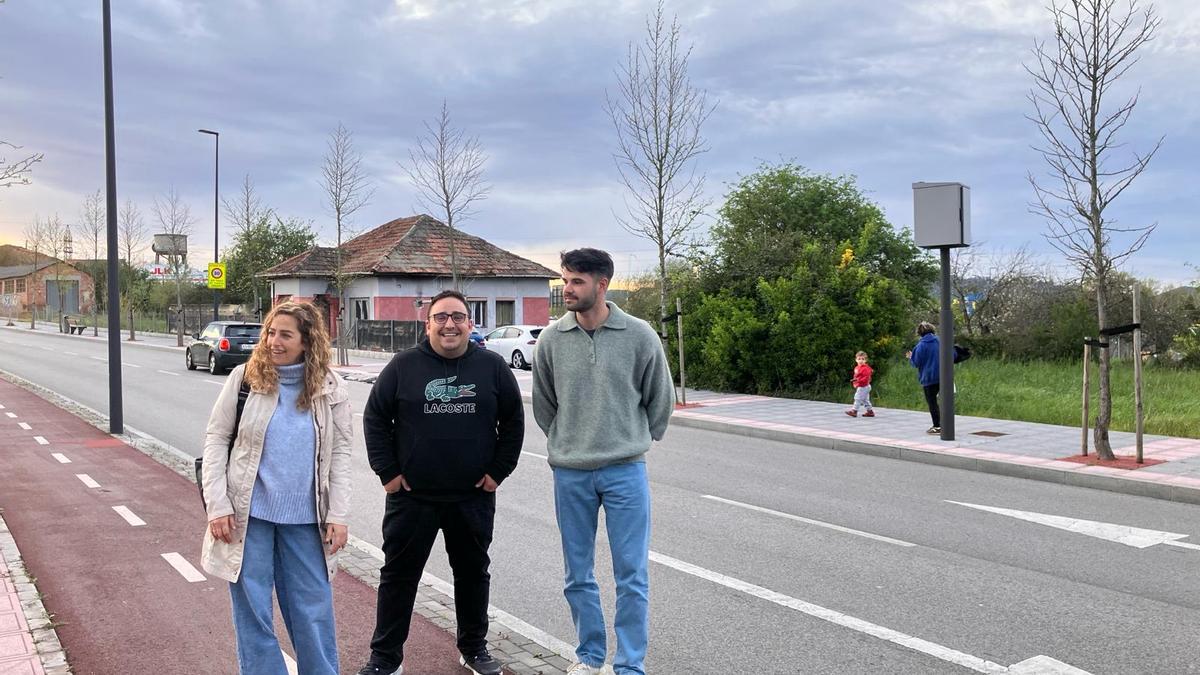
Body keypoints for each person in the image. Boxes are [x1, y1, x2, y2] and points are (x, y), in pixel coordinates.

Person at [358, 289, 523, 675]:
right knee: (398, 577)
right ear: (428, 323)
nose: (450, 324)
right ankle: (386, 658)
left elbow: (513, 423)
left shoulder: (493, 368)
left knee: (472, 575)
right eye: (442, 317)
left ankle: (473, 648)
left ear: (470, 323)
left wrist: (498, 472)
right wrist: (389, 474)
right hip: (413, 497)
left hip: (472, 497)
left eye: (458, 317)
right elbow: (375, 420)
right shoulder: (403, 366)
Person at [531, 248, 675, 675]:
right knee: (577, 573)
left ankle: (629, 665)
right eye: (565, 280)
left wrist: (630, 439)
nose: (567, 289)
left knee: (631, 575)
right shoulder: (552, 340)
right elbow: (544, 405)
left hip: (625, 470)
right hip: (571, 472)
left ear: (602, 284)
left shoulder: (639, 334)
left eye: (576, 281)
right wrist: (568, 441)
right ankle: (590, 656)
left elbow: (659, 398)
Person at [200, 300, 353, 674]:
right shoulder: (245, 379)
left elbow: (341, 455)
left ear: (307, 341)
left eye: (285, 335)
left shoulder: (330, 387)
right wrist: (217, 505)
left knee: (312, 608)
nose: (273, 341)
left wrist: (339, 515)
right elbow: (217, 439)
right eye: (270, 332)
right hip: (247, 514)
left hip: (306, 518)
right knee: (252, 610)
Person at [906, 322, 941, 434]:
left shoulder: (920, 346)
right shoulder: (941, 341)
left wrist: (910, 357)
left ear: (919, 333)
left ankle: (937, 426)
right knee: (946, 401)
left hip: (929, 378)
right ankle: (947, 423)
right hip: (944, 375)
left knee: (932, 402)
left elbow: (916, 363)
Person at [845, 350, 875, 418]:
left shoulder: (866, 368)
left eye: (863, 359)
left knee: (857, 398)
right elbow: (856, 376)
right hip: (862, 386)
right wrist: (855, 382)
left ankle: (854, 411)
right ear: (856, 360)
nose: (861, 360)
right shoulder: (856, 368)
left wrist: (858, 381)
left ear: (865, 360)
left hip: (864, 386)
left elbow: (866, 378)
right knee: (865, 400)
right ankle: (870, 412)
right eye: (859, 359)